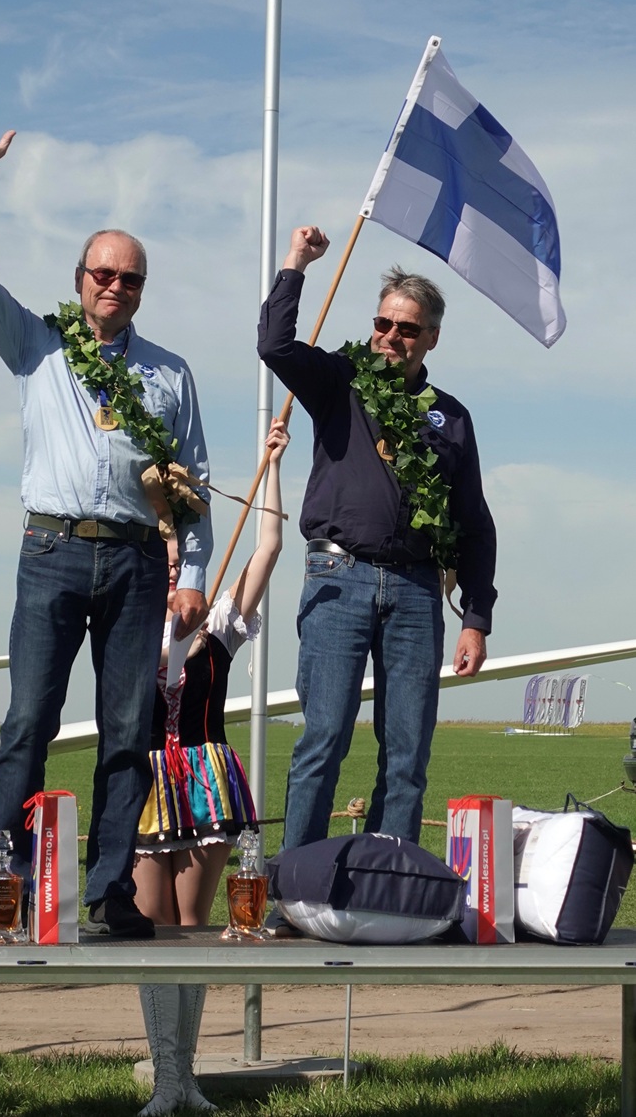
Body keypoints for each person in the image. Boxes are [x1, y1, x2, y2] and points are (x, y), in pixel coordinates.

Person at [0, 98, 211, 939]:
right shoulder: (37, 344)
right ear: (79, 279)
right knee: (28, 721)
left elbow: (195, 482)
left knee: (128, 732)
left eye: (130, 278)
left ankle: (109, 891)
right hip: (52, 550)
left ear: (141, 289)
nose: (114, 286)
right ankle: (4, 888)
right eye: (103, 273)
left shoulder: (170, 374)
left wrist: (193, 574)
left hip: (137, 561)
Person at [257, 226, 497, 924]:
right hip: (340, 578)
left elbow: (474, 522)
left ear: (431, 339)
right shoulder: (339, 381)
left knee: (407, 754)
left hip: (418, 592)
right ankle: (292, 894)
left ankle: (389, 897)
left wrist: (476, 617)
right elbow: (274, 346)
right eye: (383, 323)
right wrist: (296, 265)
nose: (390, 337)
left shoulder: (451, 417)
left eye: (406, 329)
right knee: (323, 740)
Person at [132, 417, 289, 1115]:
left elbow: (269, 547)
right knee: (149, 930)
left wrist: (271, 465)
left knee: (191, 929)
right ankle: (164, 1079)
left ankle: (185, 1079)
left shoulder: (219, 621)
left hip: (203, 782)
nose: (172, 566)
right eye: (162, 553)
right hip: (143, 784)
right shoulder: (130, 622)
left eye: (179, 555)